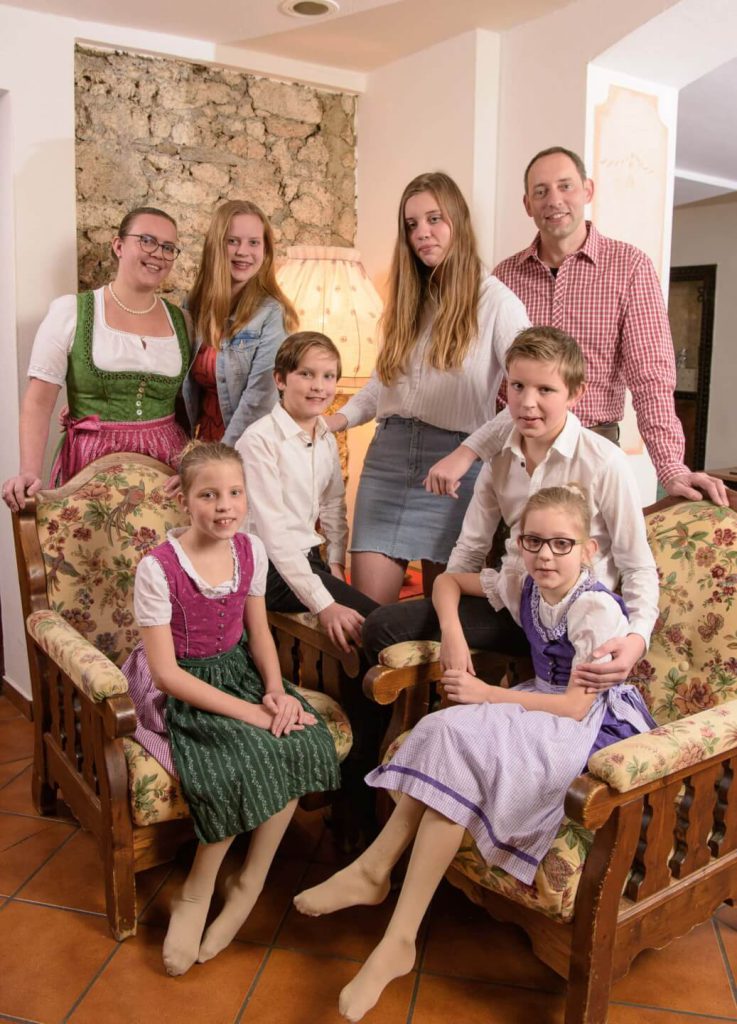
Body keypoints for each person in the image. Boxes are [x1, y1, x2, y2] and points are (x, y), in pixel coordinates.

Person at [293, 483, 656, 1022]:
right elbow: (446, 581)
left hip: (590, 725)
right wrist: (452, 632)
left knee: (459, 731)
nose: (545, 556)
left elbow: (576, 708)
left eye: (562, 544)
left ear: (589, 550)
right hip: (539, 703)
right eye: (534, 542)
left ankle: (383, 895)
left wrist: (487, 694)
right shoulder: (523, 581)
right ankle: (388, 912)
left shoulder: (595, 609)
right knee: (444, 730)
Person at [121, 440, 340, 976]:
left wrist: (276, 692)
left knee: (305, 739)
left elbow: (260, 633)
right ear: (186, 502)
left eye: (234, 493)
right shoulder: (158, 567)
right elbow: (168, 673)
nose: (224, 506)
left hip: (238, 673)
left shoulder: (251, 551)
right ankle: (197, 891)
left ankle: (250, 880)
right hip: (179, 687)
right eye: (209, 495)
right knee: (237, 758)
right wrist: (252, 716)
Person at [362, 327, 659, 694]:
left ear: (575, 393)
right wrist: (450, 624)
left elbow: (637, 565)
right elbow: (470, 549)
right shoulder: (499, 457)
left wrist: (637, 639)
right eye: (518, 386)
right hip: (514, 606)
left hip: (572, 621)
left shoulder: (604, 462)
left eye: (545, 390)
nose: (527, 403)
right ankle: (371, 747)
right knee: (379, 624)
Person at [430, 146, 726, 506]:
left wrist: (671, 468)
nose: (554, 200)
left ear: (587, 190)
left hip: (591, 455)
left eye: (565, 186)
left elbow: (652, 377)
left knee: (588, 561)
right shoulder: (504, 277)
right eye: (541, 192)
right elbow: (489, 380)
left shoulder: (630, 268)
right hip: (515, 459)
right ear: (527, 204)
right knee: (506, 559)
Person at [325, 171, 529, 604]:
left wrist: (467, 453)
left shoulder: (497, 303)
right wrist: (336, 421)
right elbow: (384, 385)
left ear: (457, 220)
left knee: (443, 623)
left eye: (434, 219)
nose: (423, 233)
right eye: (412, 224)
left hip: (454, 474)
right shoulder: (407, 299)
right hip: (387, 463)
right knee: (368, 621)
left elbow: (526, 400)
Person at [2, 207, 191, 511]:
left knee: (171, 556)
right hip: (92, 466)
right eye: (147, 240)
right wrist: (29, 471)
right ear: (118, 245)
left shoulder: (182, 321)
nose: (158, 254)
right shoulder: (71, 312)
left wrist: (195, 465)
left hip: (169, 470)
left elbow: (189, 404)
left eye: (168, 248)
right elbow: (38, 402)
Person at [238, 332, 378, 653]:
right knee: (374, 622)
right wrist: (324, 603)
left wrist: (338, 565)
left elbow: (332, 506)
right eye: (306, 374)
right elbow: (275, 537)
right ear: (280, 379)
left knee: (368, 623)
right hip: (268, 569)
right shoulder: (258, 441)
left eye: (328, 376)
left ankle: (346, 699)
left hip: (309, 560)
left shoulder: (326, 436)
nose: (319, 386)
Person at [182, 199, 298, 445]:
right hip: (202, 446)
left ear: (265, 250)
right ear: (216, 245)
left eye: (254, 242)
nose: (243, 251)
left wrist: (221, 458)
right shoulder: (193, 305)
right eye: (232, 241)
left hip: (249, 449)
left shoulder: (272, 313)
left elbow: (259, 400)